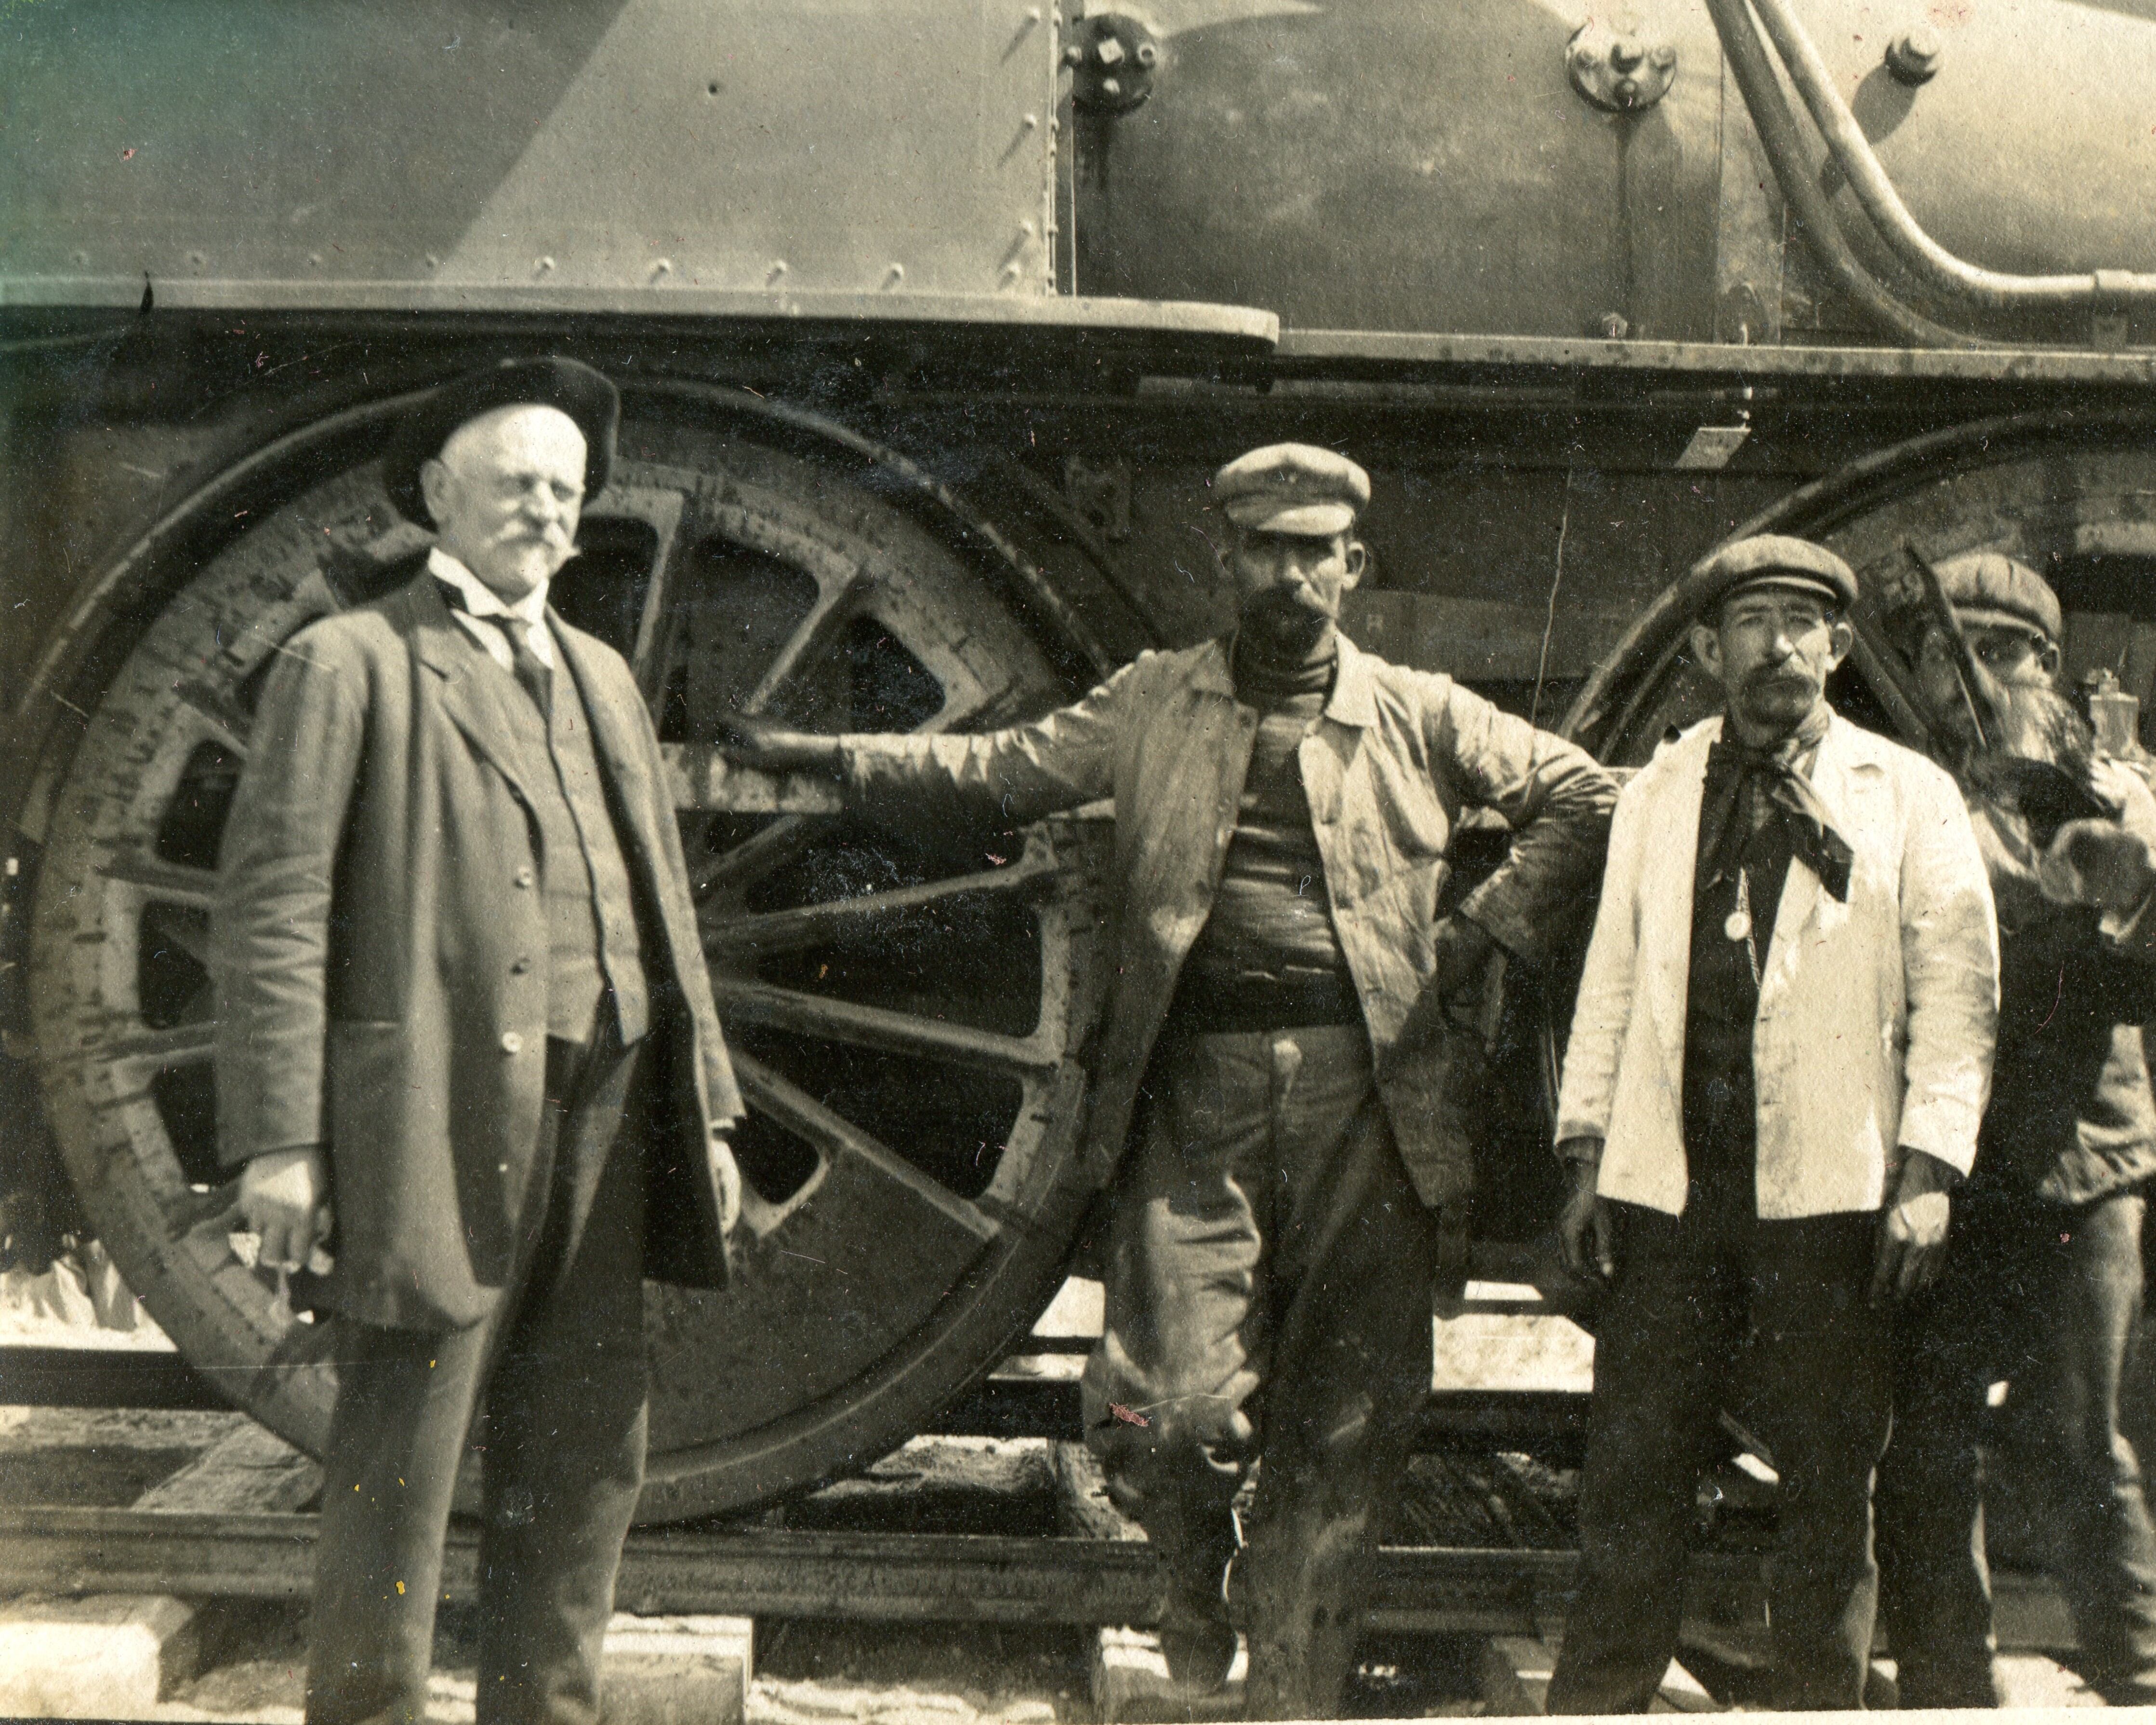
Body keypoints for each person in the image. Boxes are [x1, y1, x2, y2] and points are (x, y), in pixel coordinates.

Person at [730, 443, 1616, 1717]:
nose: (1291, 578)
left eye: (1316, 554)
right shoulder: (1151, 702)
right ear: (1225, 563)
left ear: (1353, 570)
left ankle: (1292, 1692)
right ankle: (1191, 1575)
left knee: (1350, 1423)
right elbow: (1000, 768)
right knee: (1175, 1414)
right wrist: (832, 759)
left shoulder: (1421, 712)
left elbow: (1578, 795)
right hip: (1195, 1092)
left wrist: (1483, 930)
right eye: (1267, 551)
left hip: (1372, 1099)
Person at [214, 357, 743, 1725]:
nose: (546, 512)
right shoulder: (348, 663)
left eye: (567, 490)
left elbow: (664, 913)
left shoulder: (605, 676)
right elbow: (273, 913)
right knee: (403, 1463)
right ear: (438, 494)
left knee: (582, 1456)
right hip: (434, 1115)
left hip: (612, 1110)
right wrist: (281, 1138)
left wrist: (716, 1112)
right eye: (516, 484)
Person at [1548, 534, 1998, 1712]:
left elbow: (1960, 995)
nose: (1780, 647)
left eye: (1804, 625)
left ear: (1841, 649)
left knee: (1828, 1484)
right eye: (1752, 624)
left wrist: (1930, 1168)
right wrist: (1589, 1148)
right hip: (1671, 1185)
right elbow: (1610, 976)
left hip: (1835, 1190)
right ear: (1707, 650)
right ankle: (1596, 1700)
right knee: (1635, 1471)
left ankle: (1817, 1703)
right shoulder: (1656, 793)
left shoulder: (1909, 796)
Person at [1872, 551, 2156, 1706]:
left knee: (2081, 1439)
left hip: (2077, 1161)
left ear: (2049, 666)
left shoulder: (2120, 785)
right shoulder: (1894, 786)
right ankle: (1950, 1688)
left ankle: (2141, 1679)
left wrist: (2121, 885)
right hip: (1942, 1170)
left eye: (2002, 653)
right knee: (1926, 1445)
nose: (1971, 679)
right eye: (1944, 654)